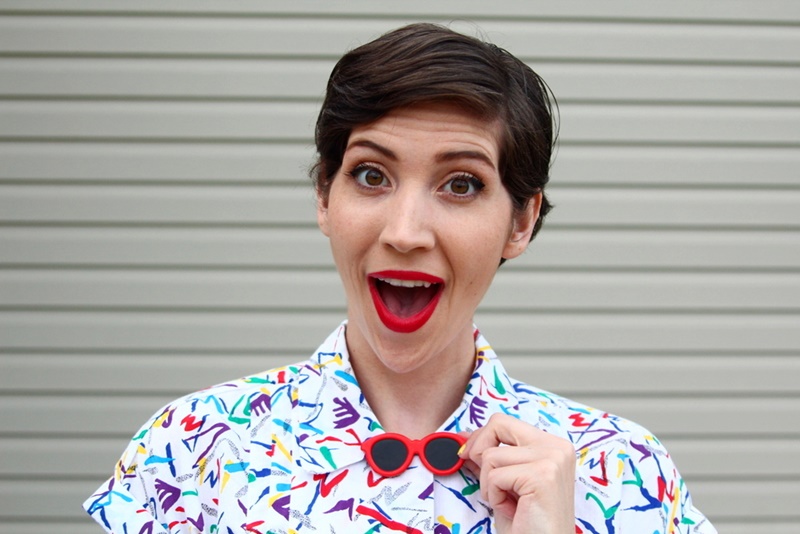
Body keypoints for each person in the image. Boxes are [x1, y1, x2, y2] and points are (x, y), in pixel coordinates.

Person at [84, 23, 716, 534]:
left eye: (461, 184)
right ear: (324, 198)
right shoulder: (190, 449)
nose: (406, 232)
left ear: (521, 222)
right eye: (371, 175)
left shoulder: (625, 469)